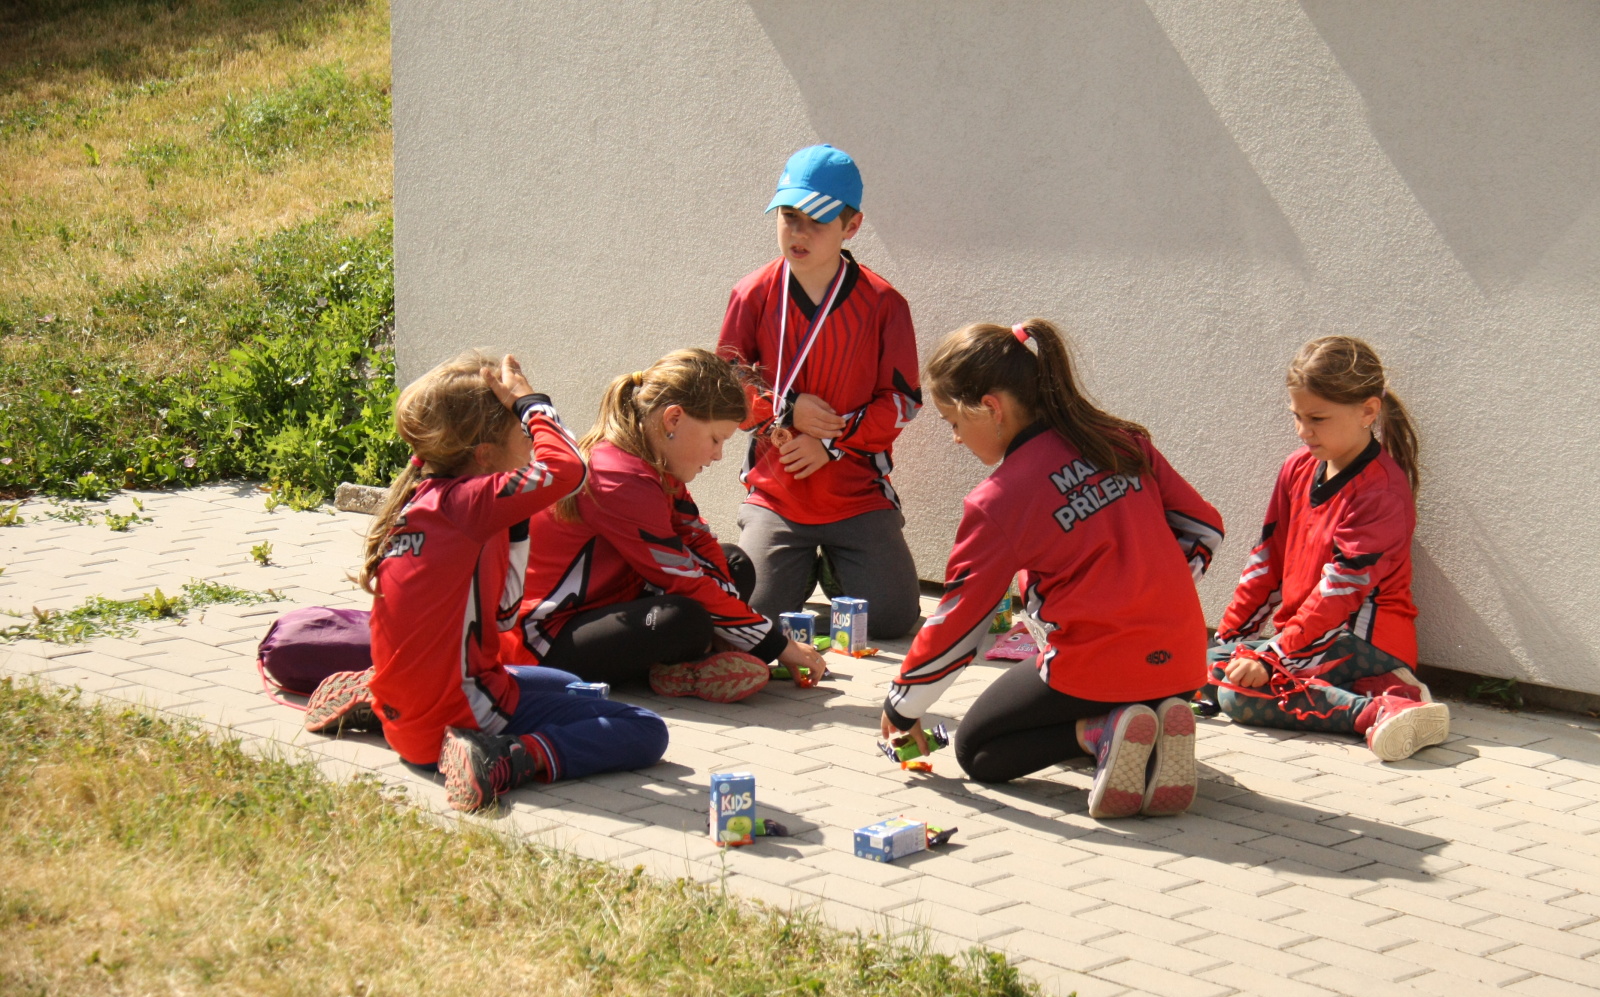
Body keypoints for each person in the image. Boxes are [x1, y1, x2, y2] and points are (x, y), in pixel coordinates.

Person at [881, 320, 1224, 819]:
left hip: (1094, 663)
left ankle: (1102, 731)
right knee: (1113, 694)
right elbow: (1205, 529)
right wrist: (1149, 590)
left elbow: (960, 619)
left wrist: (902, 706)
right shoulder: (1123, 441)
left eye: (952, 422)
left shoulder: (997, 500)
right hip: (1183, 662)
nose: (955, 439)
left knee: (978, 750)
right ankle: (1146, 725)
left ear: (992, 407)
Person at [360, 351, 668, 812]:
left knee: (567, 682)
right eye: (522, 434)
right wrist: (532, 405)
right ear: (485, 455)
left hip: (407, 721)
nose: (532, 445)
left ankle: (370, 697)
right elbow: (570, 470)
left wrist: (519, 520)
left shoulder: (427, 498)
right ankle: (506, 756)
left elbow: (505, 616)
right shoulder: (472, 502)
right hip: (455, 723)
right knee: (645, 728)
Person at [504, 348, 829, 702]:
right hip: (547, 637)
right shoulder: (618, 476)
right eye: (716, 439)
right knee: (685, 618)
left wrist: (748, 631)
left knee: (733, 562)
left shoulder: (654, 464)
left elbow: (699, 542)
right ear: (674, 419)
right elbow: (682, 578)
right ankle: (682, 667)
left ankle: (695, 655)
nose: (718, 455)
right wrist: (777, 645)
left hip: (611, 602)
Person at [1208, 336, 1449, 761]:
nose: (1304, 431)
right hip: (1306, 637)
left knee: (1237, 696)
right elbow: (1266, 562)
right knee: (1204, 667)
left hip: (1362, 641)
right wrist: (1229, 640)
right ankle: (1372, 689)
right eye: (1297, 417)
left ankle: (1382, 710)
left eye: (1317, 418)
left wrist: (1272, 658)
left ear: (1368, 412)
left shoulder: (1381, 492)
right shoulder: (1296, 467)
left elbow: (1339, 593)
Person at [718, 144, 923, 639]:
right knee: (757, 617)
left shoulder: (884, 303)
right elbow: (724, 385)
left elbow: (902, 401)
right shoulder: (751, 293)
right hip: (777, 493)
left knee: (892, 619)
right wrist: (786, 410)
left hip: (856, 494)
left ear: (852, 226)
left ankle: (835, 568)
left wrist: (831, 440)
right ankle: (794, 566)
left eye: (818, 221)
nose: (799, 233)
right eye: (789, 217)